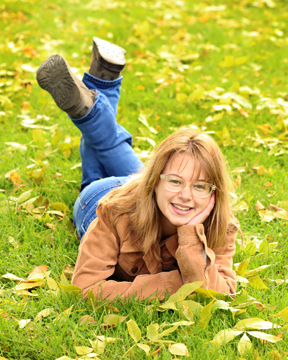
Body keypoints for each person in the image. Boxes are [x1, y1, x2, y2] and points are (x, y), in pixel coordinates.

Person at [36, 37, 239, 302]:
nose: (187, 195)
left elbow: (225, 293)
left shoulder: (221, 222)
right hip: (98, 198)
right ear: (155, 180)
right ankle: (90, 104)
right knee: (100, 171)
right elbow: (85, 290)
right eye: (175, 181)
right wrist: (177, 283)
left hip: (146, 188)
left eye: (200, 186)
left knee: (108, 146)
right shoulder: (113, 213)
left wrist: (190, 238)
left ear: (215, 191)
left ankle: (96, 95)